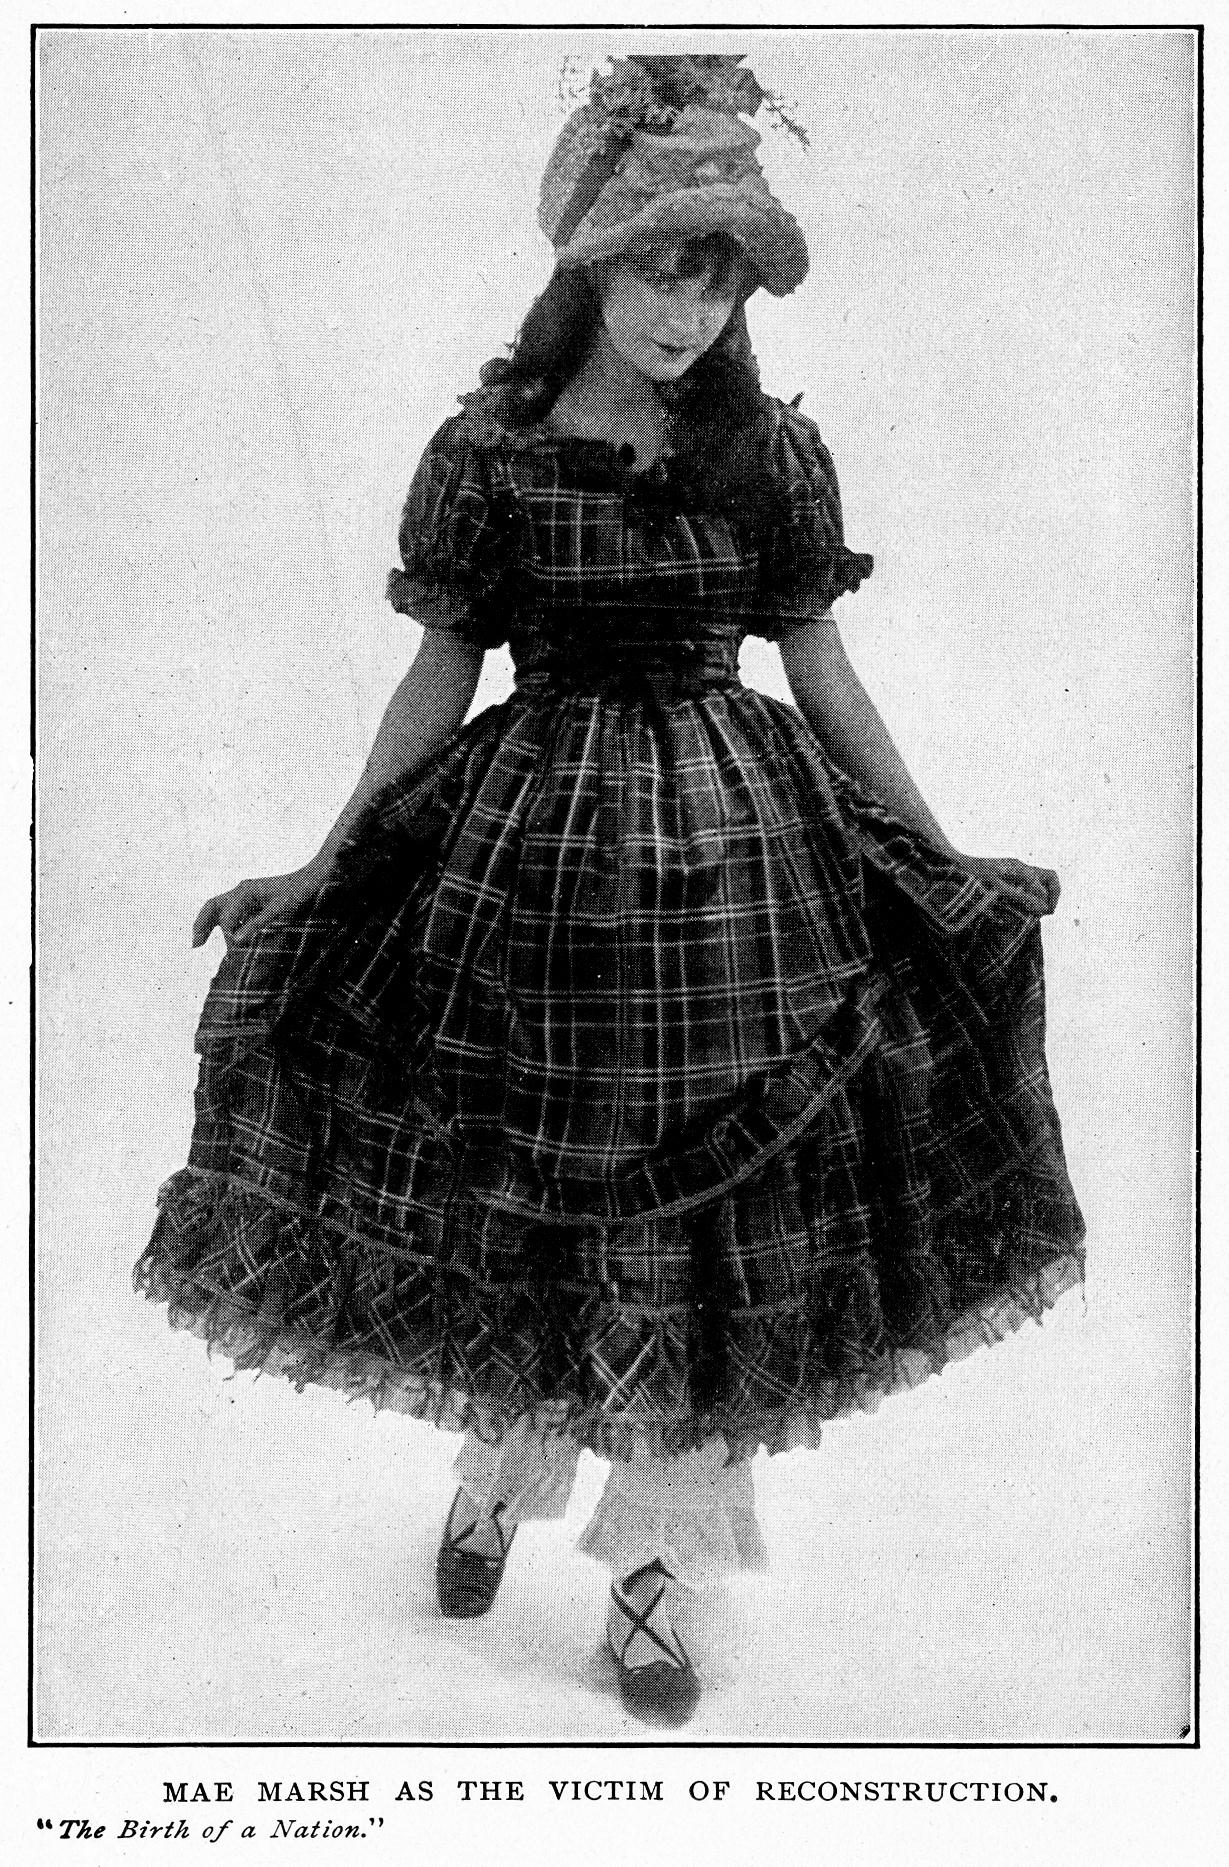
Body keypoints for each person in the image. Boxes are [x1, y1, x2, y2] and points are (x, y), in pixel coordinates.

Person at [136, 54, 1084, 1728]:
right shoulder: (485, 452)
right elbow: (438, 670)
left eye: (716, 281)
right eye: (660, 269)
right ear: (587, 268)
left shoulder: (773, 455)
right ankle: (495, 1482)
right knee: (534, 1212)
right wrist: (325, 861)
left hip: (740, 889)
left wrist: (941, 858)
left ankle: (654, 1580)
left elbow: (820, 664)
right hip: (530, 882)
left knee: (706, 1234)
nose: (686, 313)